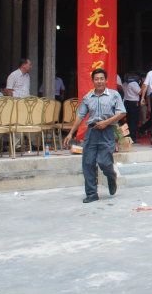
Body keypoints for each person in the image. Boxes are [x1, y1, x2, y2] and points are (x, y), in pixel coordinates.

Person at [63, 68, 125, 203]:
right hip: (91, 133)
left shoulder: (114, 95)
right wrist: (71, 133)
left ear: (106, 80)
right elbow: (80, 116)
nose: (99, 81)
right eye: (96, 79)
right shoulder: (87, 97)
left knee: (104, 162)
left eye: (101, 78)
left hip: (107, 131)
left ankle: (111, 175)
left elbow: (122, 113)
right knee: (88, 163)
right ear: (93, 81)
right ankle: (91, 194)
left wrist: (106, 122)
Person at [123, 73, 141, 142]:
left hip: (127, 102)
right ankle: (133, 138)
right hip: (133, 103)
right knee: (134, 121)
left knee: (129, 120)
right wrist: (143, 86)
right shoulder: (133, 83)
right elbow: (139, 92)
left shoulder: (125, 83)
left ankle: (128, 136)